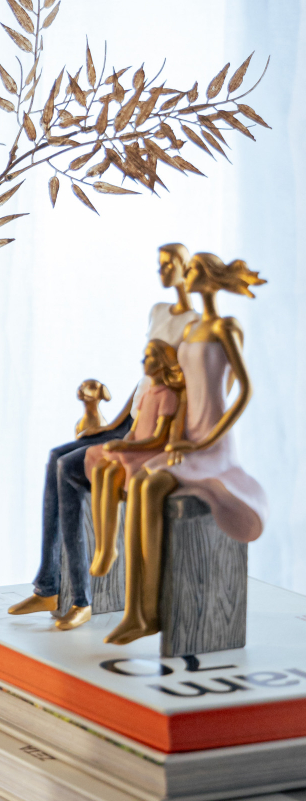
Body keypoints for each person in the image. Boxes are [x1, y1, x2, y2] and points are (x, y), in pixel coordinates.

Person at [8, 243, 198, 630]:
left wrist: (176, 438)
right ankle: (48, 586)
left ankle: (80, 598)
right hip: (133, 419)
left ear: (185, 268)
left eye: (168, 265)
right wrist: (112, 425)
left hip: (153, 428)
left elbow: (183, 387)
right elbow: (145, 379)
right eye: (160, 264)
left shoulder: (195, 325)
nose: (162, 271)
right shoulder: (158, 311)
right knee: (55, 456)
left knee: (68, 468)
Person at [104, 253, 268, 645]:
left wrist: (206, 439)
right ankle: (137, 612)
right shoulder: (192, 329)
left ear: (209, 278)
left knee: (151, 486)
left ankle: (149, 612)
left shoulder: (226, 327)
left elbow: (242, 390)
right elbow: (182, 387)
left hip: (212, 443)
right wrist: (180, 434)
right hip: (187, 437)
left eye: (193, 268)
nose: (186, 274)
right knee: (140, 483)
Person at [85, 340, 185, 580]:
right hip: (133, 446)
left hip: (148, 451)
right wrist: (124, 441)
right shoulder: (146, 393)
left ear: (162, 364)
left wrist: (127, 446)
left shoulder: (167, 396)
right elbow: (135, 428)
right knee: (99, 469)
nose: (143, 361)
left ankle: (110, 548)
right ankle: (103, 545)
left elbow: (158, 438)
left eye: (149, 357)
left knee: (111, 474)